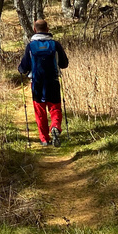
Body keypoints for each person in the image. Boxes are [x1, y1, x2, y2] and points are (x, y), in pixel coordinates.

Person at [18, 19, 69, 147]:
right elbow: (64, 64)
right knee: (55, 108)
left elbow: (24, 67)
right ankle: (55, 126)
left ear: (35, 30)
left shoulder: (30, 46)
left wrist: (21, 70)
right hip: (53, 81)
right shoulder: (55, 45)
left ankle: (45, 139)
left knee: (40, 111)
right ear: (48, 29)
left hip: (37, 83)